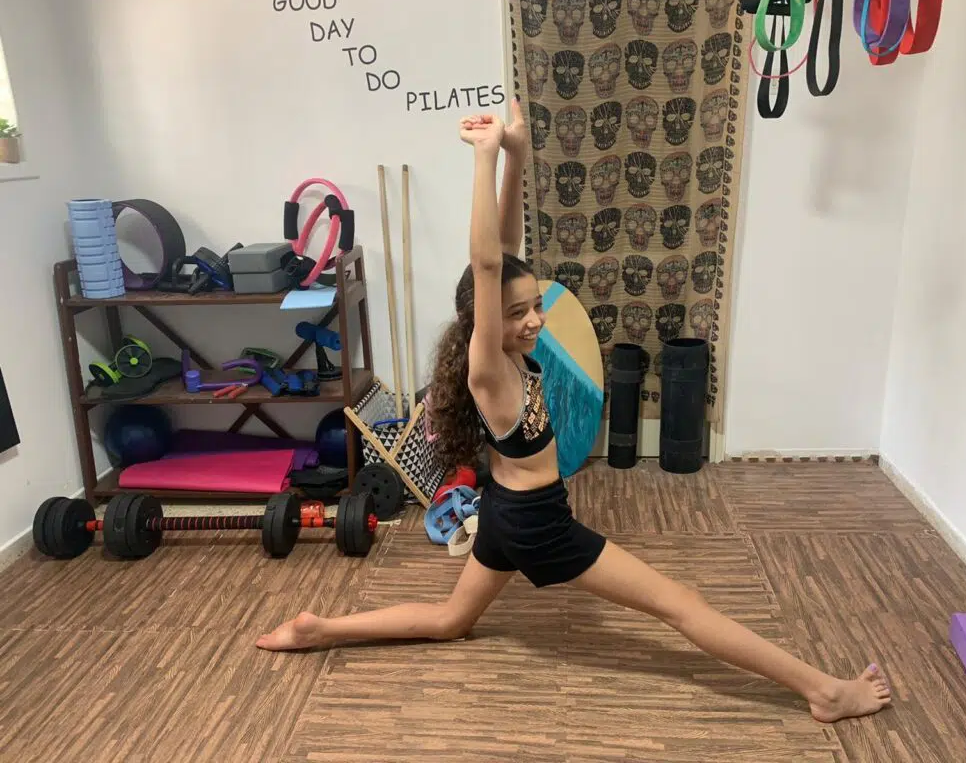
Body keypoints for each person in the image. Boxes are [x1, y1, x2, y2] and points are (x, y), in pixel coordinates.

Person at [255, 101, 892, 724]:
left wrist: (516, 155)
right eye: (517, 312)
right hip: (538, 526)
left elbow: (503, 254)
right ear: (484, 322)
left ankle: (319, 629)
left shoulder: (508, 347)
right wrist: (482, 158)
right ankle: (824, 692)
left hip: (503, 513)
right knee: (682, 603)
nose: (535, 319)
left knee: (452, 621)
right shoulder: (489, 370)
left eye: (536, 304)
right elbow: (486, 264)